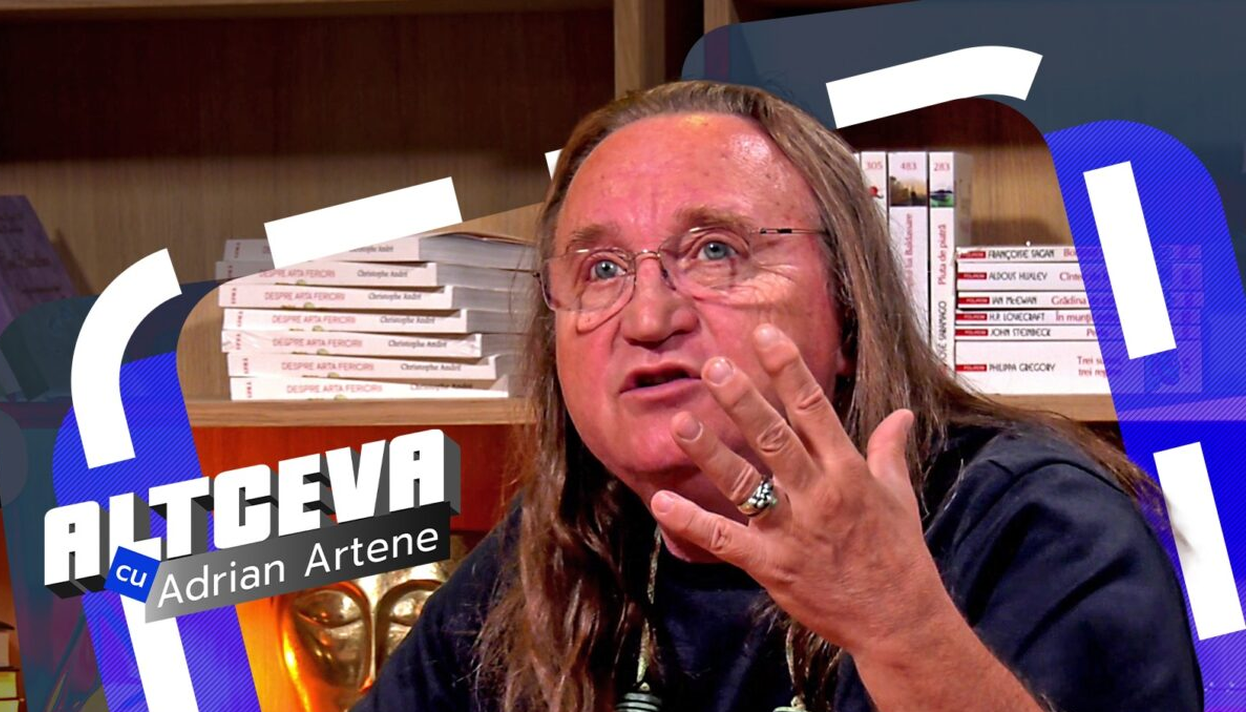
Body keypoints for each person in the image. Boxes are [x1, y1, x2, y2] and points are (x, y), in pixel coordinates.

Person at [355, 81, 1202, 712]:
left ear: (847, 305)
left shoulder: (1034, 520)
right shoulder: (566, 535)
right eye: (602, 269)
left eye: (715, 251)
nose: (647, 317)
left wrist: (901, 629)